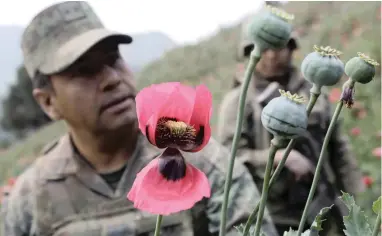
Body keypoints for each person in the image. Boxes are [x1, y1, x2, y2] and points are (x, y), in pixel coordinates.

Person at [1, 1, 279, 236]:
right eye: (84, 71)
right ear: (48, 102)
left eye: (113, 59)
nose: (112, 79)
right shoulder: (30, 200)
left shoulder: (198, 158)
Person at [217, 13, 366, 236]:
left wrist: (355, 204)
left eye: (277, 47)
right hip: (270, 215)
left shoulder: (315, 88)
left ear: (291, 46)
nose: (271, 55)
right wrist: (275, 156)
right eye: (264, 48)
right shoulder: (238, 102)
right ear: (250, 52)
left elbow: (338, 148)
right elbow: (228, 160)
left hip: (320, 207)